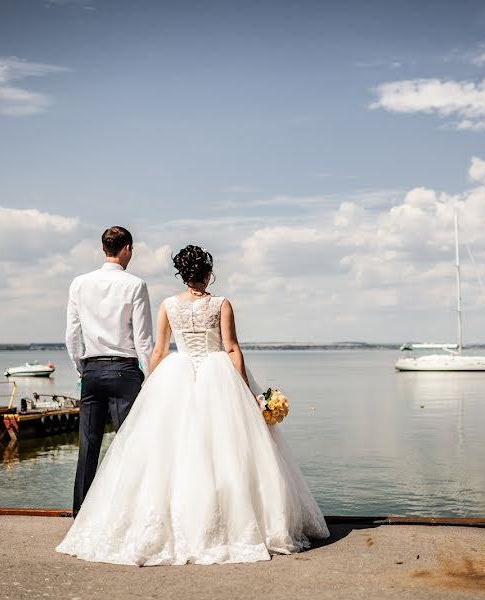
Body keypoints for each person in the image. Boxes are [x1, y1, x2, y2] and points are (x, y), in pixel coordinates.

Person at [56, 245, 329, 565]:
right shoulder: (221, 304)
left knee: (174, 454)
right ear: (208, 273)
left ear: (183, 274)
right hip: (219, 375)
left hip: (176, 372)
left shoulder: (168, 305)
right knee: (228, 451)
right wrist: (246, 391)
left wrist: (148, 388)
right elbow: (231, 349)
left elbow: (158, 351)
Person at [65, 226, 154, 517]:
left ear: (104, 248)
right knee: (130, 444)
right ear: (126, 248)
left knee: (88, 445)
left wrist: (82, 368)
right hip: (124, 372)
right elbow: (143, 340)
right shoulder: (135, 285)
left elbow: (72, 335)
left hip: (91, 370)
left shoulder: (79, 283)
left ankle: (81, 512)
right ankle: (129, 511)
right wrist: (153, 377)